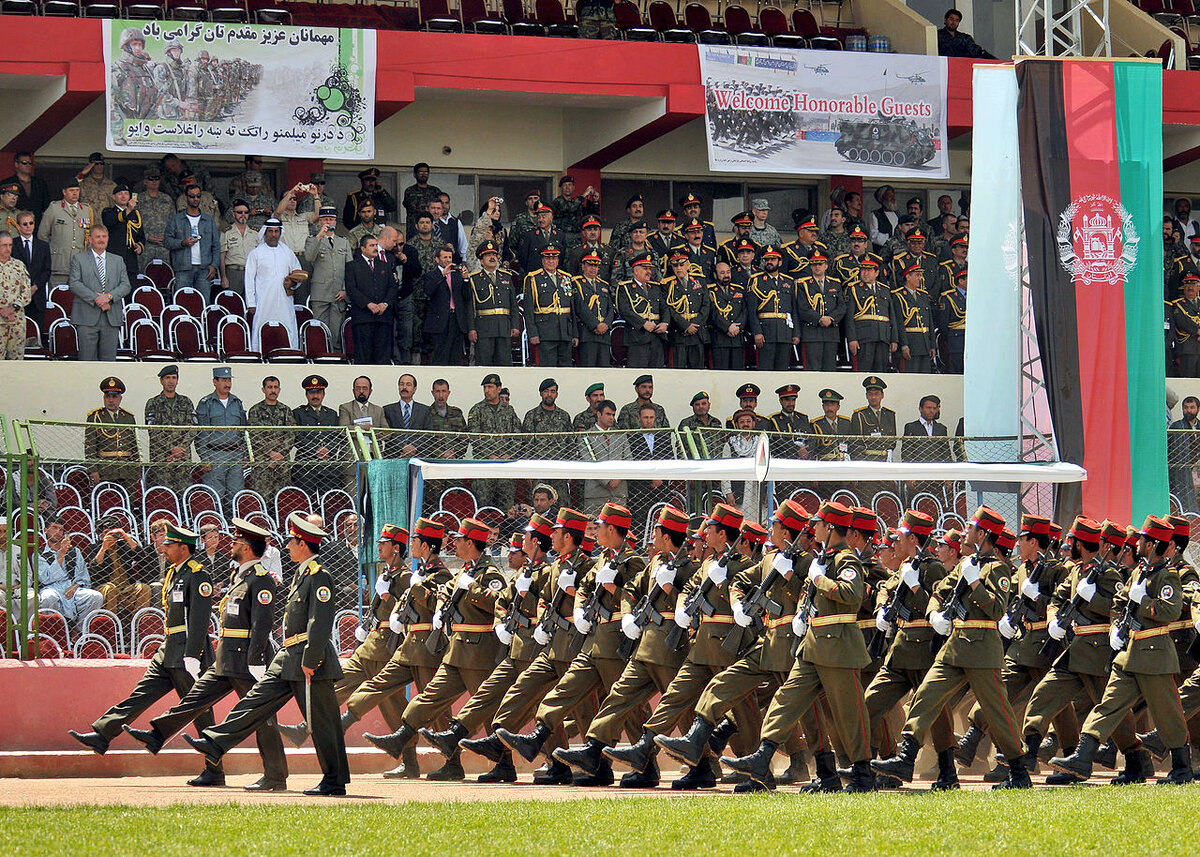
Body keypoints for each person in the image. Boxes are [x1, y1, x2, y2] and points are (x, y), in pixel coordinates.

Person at [186, 514, 351, 796]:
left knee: (323, 722)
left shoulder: (319, 576)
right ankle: (215, 741)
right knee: (256, 700)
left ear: (302, 543)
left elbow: (320, 623)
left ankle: (334, 781)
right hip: (288, 655)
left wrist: (311, 660)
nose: (286, 547)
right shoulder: (302, 574)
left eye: (291, 541)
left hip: (311, 660)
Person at [873, 506, 1034, 790]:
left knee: (997, 713)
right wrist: (934, 613)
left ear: (983, 534)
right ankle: (907, 756)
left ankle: (1019, 770)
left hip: (982, 652)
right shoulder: (965, 564)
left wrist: (974, 582)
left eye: (970, 530)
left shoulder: (996, 569)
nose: (965, 534)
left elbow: (996, 609)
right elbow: (939, 592)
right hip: (954, 648)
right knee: (926, 695)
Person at [124, 518, 289, 792]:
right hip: (226, 656)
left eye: (237, 541)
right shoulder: (241, 576)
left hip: (248, 660)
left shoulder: (261, 580)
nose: (232, 544)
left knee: (262, 717)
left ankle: (275, 775)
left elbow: (262, 624)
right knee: (195, 699)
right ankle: (157, 735)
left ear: (247, 548)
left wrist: (258, 660)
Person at [70, 523, 225, 787]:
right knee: (142, 694)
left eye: (169, 544)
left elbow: (199, 619)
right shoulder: (175, 574)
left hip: (188, 650)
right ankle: (103, 733)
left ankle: (214, 769)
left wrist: (193, 655)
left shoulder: (198, 575)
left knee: (199, 710)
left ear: (183, 548)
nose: (163, 548)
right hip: (169, 648)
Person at [362, 517, 506, 781]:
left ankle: (505, 763)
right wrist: (439, 604)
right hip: (456, 652)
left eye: (460, 539)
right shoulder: (464, 570)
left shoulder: (489, 573)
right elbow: (445, 591)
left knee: (488, 709)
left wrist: (472, 589)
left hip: (479, 654)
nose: (454, 543)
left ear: (471, 542)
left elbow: (499, 602)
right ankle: (402, 738)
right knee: (430, 697)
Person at [194, 367, 248, 515]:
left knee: (236, 496)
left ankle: (233, 528)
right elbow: (201, 432)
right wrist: (204, 457)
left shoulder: (237, 402)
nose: (227, 383)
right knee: (214, 496)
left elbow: (243, 430)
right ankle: (215, 529)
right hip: (214, 454)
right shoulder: (206, 403)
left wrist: (245, 454)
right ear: (215, 382)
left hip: (235, 454)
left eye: (229, 380)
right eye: (223, 380)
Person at [246, 218, 303, 351]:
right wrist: (251, 303)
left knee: (288, 326)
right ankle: (259, 355)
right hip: (263, 301)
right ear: (265, 233)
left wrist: (292, 283)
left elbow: (298, 274)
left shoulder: (287, 252)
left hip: (284, 301)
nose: (273, 235)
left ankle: (290, 355)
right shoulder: (256, 253)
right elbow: (249, 279)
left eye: (276, 231)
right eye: (270, 231)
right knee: (261, 328)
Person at [468, 372, 522, 513]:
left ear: (499, 389)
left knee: (506, 511)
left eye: (490, 387)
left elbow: (517, 436)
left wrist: (509, 455)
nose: (487, 390)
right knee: (484, 510)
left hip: (506, 470)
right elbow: (474, 437)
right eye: (485, 387)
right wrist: (489, 455)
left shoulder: (509, 411)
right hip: (484, 469)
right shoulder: (477, 410)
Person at [39, 515, 103, 632]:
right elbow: (45, 578)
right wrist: (62, 553)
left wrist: (75, 586)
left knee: (95, 597)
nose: (58, 532)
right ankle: (55, 632)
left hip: (73, 587)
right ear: (45, 530)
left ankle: (79, 631)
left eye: (61, 529)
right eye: (54, 528)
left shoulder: (75, 551)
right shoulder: (39, 554)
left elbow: (83, 576)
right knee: (48, 598)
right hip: (52, 587)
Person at [345, 234, 397, 365]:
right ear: (363, 248)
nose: (375, 248)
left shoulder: (384, 265)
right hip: (363, 318)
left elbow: (392, 287)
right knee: (363, 358)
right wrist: (368, 304)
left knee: (383, 357)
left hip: (383, 318)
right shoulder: (352, 266)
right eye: (372, 245)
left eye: (376, 245)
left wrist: (385, 303)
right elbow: (352, 289)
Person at [144, 364, 197, 494]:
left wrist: (181, 448)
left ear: (177, 380)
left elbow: (194, 427)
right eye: (167, 378)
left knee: (184, 494)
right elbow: (152, 430)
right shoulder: (153, 403)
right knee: (163, 494)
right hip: (161, 458)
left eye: (174, 378)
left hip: (182, 458)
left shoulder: (186, 402)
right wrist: (171, 449)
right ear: (161, 380)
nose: (171, 381)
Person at [304, 205, 351, 350]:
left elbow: (349, 268)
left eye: (331, 219)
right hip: (321, 293)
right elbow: (309, 257)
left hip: (338, 293)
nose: (328, 222)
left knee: (336, 331)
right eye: (325, 219)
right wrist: (319, 236)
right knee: (320, 329)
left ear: (336, 222)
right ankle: (320, 355)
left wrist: (345, 289)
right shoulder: (313, 239)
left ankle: (336, 358)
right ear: (320, 222)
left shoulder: (343, 241)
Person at [163, 184, 220, 299]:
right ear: (186, 198)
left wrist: (214, 265)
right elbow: (167, 241)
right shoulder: (176, 219)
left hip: (204, 269)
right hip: (183, 268)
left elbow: (216, 245)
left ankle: (202, 318)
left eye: (198, 196)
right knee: (183, 302)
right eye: (192, 196)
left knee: (203, 302)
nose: (195, 199)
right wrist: (182, 243)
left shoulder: (208, 219)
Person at [83, 376, 139, 492]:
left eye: (114, 396)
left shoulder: (128, 418)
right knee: (106, 503)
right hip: (105, 471)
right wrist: (93, 470)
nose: (111, 400)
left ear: (120, 398)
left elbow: (134, 445)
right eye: (108, 396)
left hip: (127, 471)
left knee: (129, 504)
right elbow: (90, 447)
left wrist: (136, 468)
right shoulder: (95, 417)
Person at [748, 245, 798, 371]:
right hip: (765, 332)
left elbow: (794, 310)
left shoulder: (789, 281)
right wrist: (757, 332)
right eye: (767, 260)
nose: (769, 262)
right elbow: (751, 311)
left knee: (782, 370)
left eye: (773, 259)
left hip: (785, 332)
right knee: (765, 370)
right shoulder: (756, 281)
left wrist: (796, 333)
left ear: (780, 262)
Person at [293, 375, 343, 498]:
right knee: (306, 501)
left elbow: (338, 436)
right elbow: (297, 437)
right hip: (306, 465)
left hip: (327, 465)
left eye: (318, 392)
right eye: (311, 393)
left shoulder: (331, 414)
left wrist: (327, 449)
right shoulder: (298, 413)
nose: (315, 396)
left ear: (323, 394)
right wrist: (316, 450)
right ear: (306, 395)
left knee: (329, 501)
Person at [795, 249, 845, 371]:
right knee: (813, 371)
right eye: (814, 264)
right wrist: (819, 319)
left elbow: (842, 306)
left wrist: (831, 319)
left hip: (831, 334)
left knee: (830, 371)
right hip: (811, 334)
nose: (817, 267)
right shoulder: (803, 284)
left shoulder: (835, 284)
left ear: (826, 266)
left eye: (820, 264)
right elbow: (802, 308)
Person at [247, 375, 295, 500]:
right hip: (262, 463)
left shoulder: (286, 410)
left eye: (275, 387)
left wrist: (280, 454)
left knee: (283, 500)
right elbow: (254, 435)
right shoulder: (255, 410)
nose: (273, 390)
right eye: (269, 387)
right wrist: (270, 453)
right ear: (263, 389)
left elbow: (291, 434)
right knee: (261, 499)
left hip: (282, 463)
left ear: (279, 389)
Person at [616, 253, 667, 369]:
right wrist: (643, 323)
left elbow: (665, 308)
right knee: (638, 373)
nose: (649, 271)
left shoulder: (656, 287)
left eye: (650, 268)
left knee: (657, 373)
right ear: (636, 271)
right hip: (637, 338)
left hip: (657, 337)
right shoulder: (625, 287)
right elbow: (624, 310)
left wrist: (665, 323)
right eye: (645, 268)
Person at [39, 178, 94, 287]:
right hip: (59, 263)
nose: (75, 193)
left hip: (80, 263)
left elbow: (90, 237)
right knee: (57, 298)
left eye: (77, 190)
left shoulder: (86, 210)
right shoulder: (54, 208)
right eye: (71, 190)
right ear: (64, 192)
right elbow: (42, 235)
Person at [580, 400, 631, 514]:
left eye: (613, 415)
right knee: (594, 529)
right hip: (595, 494)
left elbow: (628, 460)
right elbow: (588, 461)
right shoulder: (586, 436)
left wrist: (617, 479)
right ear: (599, 414)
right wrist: (607, 481)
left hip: (618, 494)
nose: (612, 418)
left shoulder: (621, 435)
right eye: (608, 414)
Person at [422, 244, 469, 366]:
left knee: (455, 357)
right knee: (440, 356)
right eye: (445, 257)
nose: (448, 260)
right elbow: (429, 291)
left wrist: (465, 280)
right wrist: (442, 275)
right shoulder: (431, 275)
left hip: (456, 320)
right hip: (440, 322)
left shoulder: (457, 275)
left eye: (450, 257)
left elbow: (467, 296)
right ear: (437, 259)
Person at [11, 209, 50, 331]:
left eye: (31, 223)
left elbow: (47, 270)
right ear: (18, 226)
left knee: (36, 333)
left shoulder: (43, 246)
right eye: (25, 224)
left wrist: (36, 286)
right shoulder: (12, 244)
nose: (28, 226)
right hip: (17, 296)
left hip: (37, 296)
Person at [136, 168, 176, 273]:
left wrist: (167, 236)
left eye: (157, 179)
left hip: (163, 246)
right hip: (145, 246)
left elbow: (173, 222)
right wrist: (147, 237)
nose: (154, 182)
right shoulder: (138, 200)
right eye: (151, 179)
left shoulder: (167, 199)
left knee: (164, 276)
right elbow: (133, 224)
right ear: (145, 181)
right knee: (143, 276)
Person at [0, 232, 32, 359]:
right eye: (4, 245)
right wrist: (3, 310)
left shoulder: (18, 265)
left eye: (10, 245)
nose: (8, 249)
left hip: (16, 322)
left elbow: (26, 292)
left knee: (16, 362)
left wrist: (12, 308)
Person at [220, 198, 259, 298]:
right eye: (239, 212)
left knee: (251, 304)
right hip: (233, 273)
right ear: (233, 214)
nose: (243, 215)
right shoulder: (226, 233)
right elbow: (222, 256)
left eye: (246, 212)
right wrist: (223, 277)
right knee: (233, 303)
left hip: (251, 273)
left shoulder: (255, 233)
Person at [1, 152, 50, 229]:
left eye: (30, 163)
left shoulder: (40, 183)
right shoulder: (7, 183)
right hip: (14, 225)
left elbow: (46, 206)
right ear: (16, 165)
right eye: (24, 163)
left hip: (36, 225)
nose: (28, 165)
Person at [401, 162, 442, 227]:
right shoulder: (410, 190)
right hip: (414, 226)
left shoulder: (435, 190)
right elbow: (411, 207)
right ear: (414, 174)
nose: (423, 175)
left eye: (426, 173)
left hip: (432, 227)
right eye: (420, 173)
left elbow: (440, 208)